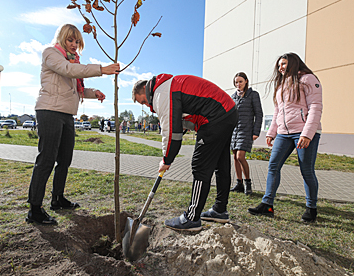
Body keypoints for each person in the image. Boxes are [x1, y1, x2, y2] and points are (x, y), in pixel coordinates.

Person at [27, 24, 120, 224]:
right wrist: (101, 69)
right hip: (50, 110)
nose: (74, 45)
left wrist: (93, 92)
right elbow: (68, 71)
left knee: (65, 159)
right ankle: (34, 209)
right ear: (62, 38)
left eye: (77, 41)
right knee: (47, 159)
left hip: (67, 114)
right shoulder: (51, 53)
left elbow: (74, 87)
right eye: (70, 40)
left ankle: (57, 198)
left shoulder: (73, 61)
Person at [132, 74, 237, 231]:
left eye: (143, 101)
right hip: (228, 111)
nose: (147, 106)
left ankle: (192, 218)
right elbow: (189, 112)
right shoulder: (168, 86)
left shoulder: (161, 93)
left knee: (200, 166)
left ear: (145, 91)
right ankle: (219, 210)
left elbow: (170, 132)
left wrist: (166, 159)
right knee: (221, 164)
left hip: (215, 117)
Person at [249, 52, 322, 223]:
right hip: (283, 133)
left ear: (293, 64)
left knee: (306, 171)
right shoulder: (281, 85)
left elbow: (315, 107)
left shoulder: (308, 79)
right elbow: (277, 112)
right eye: (279, 65)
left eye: (284, 64)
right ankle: (267, 204)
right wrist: (271, 132)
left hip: (303, 133)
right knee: (273, 166)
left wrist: (307, 134)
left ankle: (311, 208)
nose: (280, 67)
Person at [230, 72, 263, 194]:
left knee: (240, 156)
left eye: (240, 81)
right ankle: (239, 184)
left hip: (246, 130)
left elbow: (258, 114)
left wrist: (256, 131)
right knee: (234, 157)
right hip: (234, 131)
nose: (238, 84)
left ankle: (248, 182)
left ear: (246, 81)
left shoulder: (253, 95)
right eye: (236, 82)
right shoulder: (233, 96)